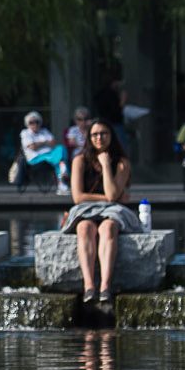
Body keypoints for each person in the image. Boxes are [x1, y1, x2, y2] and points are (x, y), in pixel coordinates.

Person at [60, 118, 141, 303]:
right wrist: (107, 198)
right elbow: (78, 197)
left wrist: (105, 165)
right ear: (89, 137)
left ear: (111, 136)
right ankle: (89, 286)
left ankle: (105, 286)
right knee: (84, 228)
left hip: (113, 211)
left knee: (108, 228)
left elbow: (112, 195)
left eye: (104, 133)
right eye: (95, 134)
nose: (99, 138)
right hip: (85, 209)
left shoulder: (121, 163)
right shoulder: (79, 160)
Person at [15, 110, 61, 192]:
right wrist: (45, 142)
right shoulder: (25, 133)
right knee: (59, 161)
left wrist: (39, 144)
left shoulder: (44, 131)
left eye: (36, 122)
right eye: (31, 122)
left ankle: (62, 180)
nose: (34, 124)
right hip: (35, 160)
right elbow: (33, 147)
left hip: (49, 157)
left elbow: (54, 143)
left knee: (61, 149)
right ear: (27, 124)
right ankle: (62, 181)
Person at [62, 108, 92, 184]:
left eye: (85, 119)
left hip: (90, 150)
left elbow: (93, 142)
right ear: (75, 120)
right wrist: (84, 147)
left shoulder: (92, 129)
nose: (83, 121)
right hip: (77, 152)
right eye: (79, 119)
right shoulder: (73, 130)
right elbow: (72, 143)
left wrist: (87, 130)